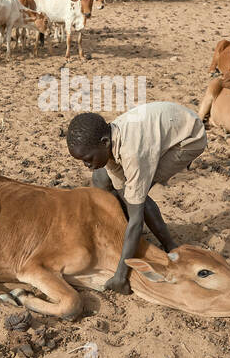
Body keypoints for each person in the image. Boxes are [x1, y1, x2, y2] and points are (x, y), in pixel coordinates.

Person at [64, 101, 207, 294]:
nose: (86, 165)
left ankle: (170, 245)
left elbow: (136, 216)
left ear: (105, 143)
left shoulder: (132, 154)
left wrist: (120, 275)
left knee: (137, 198)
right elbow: (119, 186)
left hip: (188, 138)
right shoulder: (107, 141)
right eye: (82, 161)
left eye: (88, 159)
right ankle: (124, 235)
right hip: (165, 124)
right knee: (102, 179)